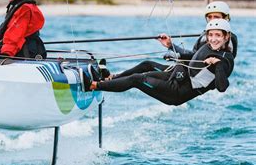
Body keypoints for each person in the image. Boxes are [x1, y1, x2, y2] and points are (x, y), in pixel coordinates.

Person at [81, 19, 234, 106]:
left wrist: (217, 64)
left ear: (226, 37)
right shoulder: (208, 46)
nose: (214, 38)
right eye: (211, 35)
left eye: (218, 35)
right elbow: (192, 58)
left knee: (137, 79)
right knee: (146, 67)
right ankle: (109, 79)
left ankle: (93, 85)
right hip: (175, 77)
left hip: (176, 92)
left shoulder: (225, 59)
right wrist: (171, 48)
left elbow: (222, 87)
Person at [105, 1, 238, 80]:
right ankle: (113, 77)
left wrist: (177, 54)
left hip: (189, 77)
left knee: (141, 76)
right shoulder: (206, 35)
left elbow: (205, 59)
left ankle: (106, 82)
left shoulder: (226, 39)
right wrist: (170, 45)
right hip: (185, 68)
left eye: (217, 17)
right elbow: (194, 55)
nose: (213, 20)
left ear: (226, 18)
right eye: (210, 17)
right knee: (147, 64)